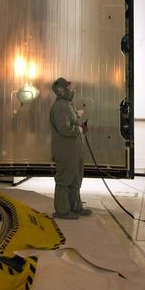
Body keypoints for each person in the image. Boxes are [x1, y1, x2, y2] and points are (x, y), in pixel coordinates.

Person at [49, 76, 91, 219]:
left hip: (74, 150)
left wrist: (77, 117)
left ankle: (75, 207)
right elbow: (64, 129)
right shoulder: (60, 106)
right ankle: (62, 210)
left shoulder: (67, 105)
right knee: (64, 179)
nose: (72, 89)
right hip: (65, 151)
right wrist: (79, 129)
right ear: (61, 89)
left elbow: (71, 122)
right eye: (69, 87)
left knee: (75, 179)